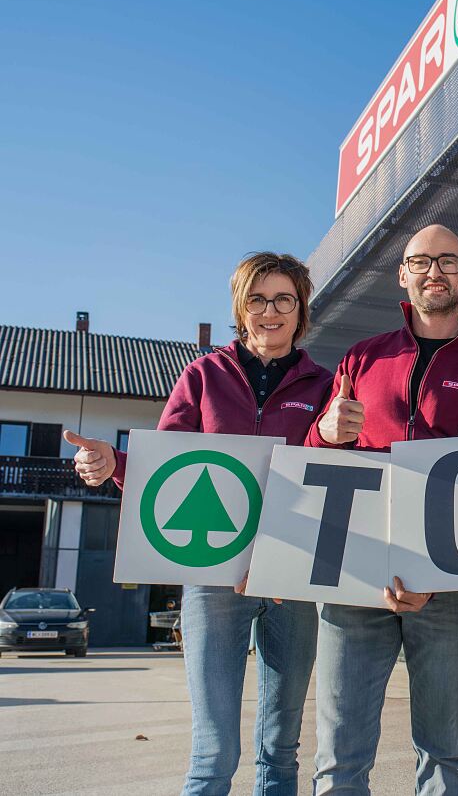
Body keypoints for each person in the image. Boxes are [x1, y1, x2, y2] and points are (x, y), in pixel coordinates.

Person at [67, 252, 332, 795]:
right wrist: (113, 464)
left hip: (291, 579)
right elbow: (165, 466)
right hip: (213, 578)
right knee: (214, 751)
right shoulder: (204, 376)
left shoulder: (325, 386)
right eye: (257, 299)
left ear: (301, 309)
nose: (270, 310)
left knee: (281, 748)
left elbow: (330, 479)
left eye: (284, 298)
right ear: (241, 308)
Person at [306, 224, 458, 796]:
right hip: (356, 577)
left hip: (448, 583)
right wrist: (326, 432)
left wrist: (427, 572)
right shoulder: (361, 357)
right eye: (421, 261)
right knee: (339, 759)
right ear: (402, 275)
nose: (435, 272)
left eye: (449, 261)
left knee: (442, 753)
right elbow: (316, 466)